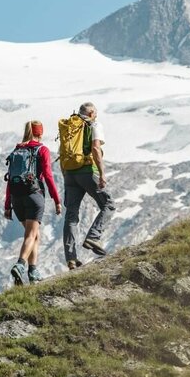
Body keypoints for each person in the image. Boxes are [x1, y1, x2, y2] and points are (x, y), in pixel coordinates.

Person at [4, 120, 62, 284]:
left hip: (17, 198)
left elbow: (9, 180)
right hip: (34, 196)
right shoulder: (42, 149)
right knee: (31, 235)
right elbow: (48, 176)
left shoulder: (17, 150)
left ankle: (33, 271)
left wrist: (7, 205)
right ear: (40, 133)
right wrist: (56, 199)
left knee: (35, 234)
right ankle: (21, 264)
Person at [61, 102, 115, 270]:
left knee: (71, 216)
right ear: (91, 113)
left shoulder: (69, 126)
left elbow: (62, 153)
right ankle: (93, 236)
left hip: (70, 173)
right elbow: (96, 149)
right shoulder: (93, 125)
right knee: (108, 204)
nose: (96, 116)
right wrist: (102, 174)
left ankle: (71, 258)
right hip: (87, 171)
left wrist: (66, 177)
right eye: (95, 114)